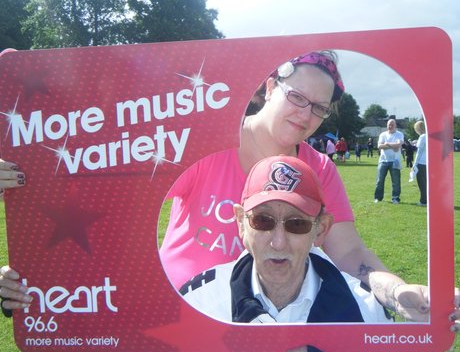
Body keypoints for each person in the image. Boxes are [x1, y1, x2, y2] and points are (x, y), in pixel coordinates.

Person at [0, 51, 435, 323]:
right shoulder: (204, 142)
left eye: (320, 108)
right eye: (297, 97)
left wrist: (397, 292)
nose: (306, 116)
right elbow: (106, 198)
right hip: (182, 313)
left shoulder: (319, 168)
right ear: (269, 88)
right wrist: (32, 159)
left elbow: (350, 253)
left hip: (268, 321)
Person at [181, 155, 392, 325]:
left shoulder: (367, 312)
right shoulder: (197, 304)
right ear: (240, 222)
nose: (279, 242)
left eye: (297, 224)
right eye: (262, 221)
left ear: (320, 229)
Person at [374, 119, 404, 204]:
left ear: (395, 126)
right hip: (383, 160)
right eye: (389, 125)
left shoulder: (399, 134)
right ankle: (378, 198)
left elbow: (398, 145)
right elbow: (379, 146)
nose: (390, 126)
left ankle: (395, 198)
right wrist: (393, 145)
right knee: (379, 180)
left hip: (395, 161)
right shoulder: (382, 134)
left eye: (392, 125)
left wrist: (387, 144)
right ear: (387, 125)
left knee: (396, 181)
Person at [411, 121, 427, 206]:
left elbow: (419, 152)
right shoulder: (428, 136)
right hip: (428, 163)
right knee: (426, 183)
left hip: (421, 163)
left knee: (422, 183)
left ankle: (423, 201)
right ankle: (427, 199)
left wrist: (414, 164)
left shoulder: (422, 137)